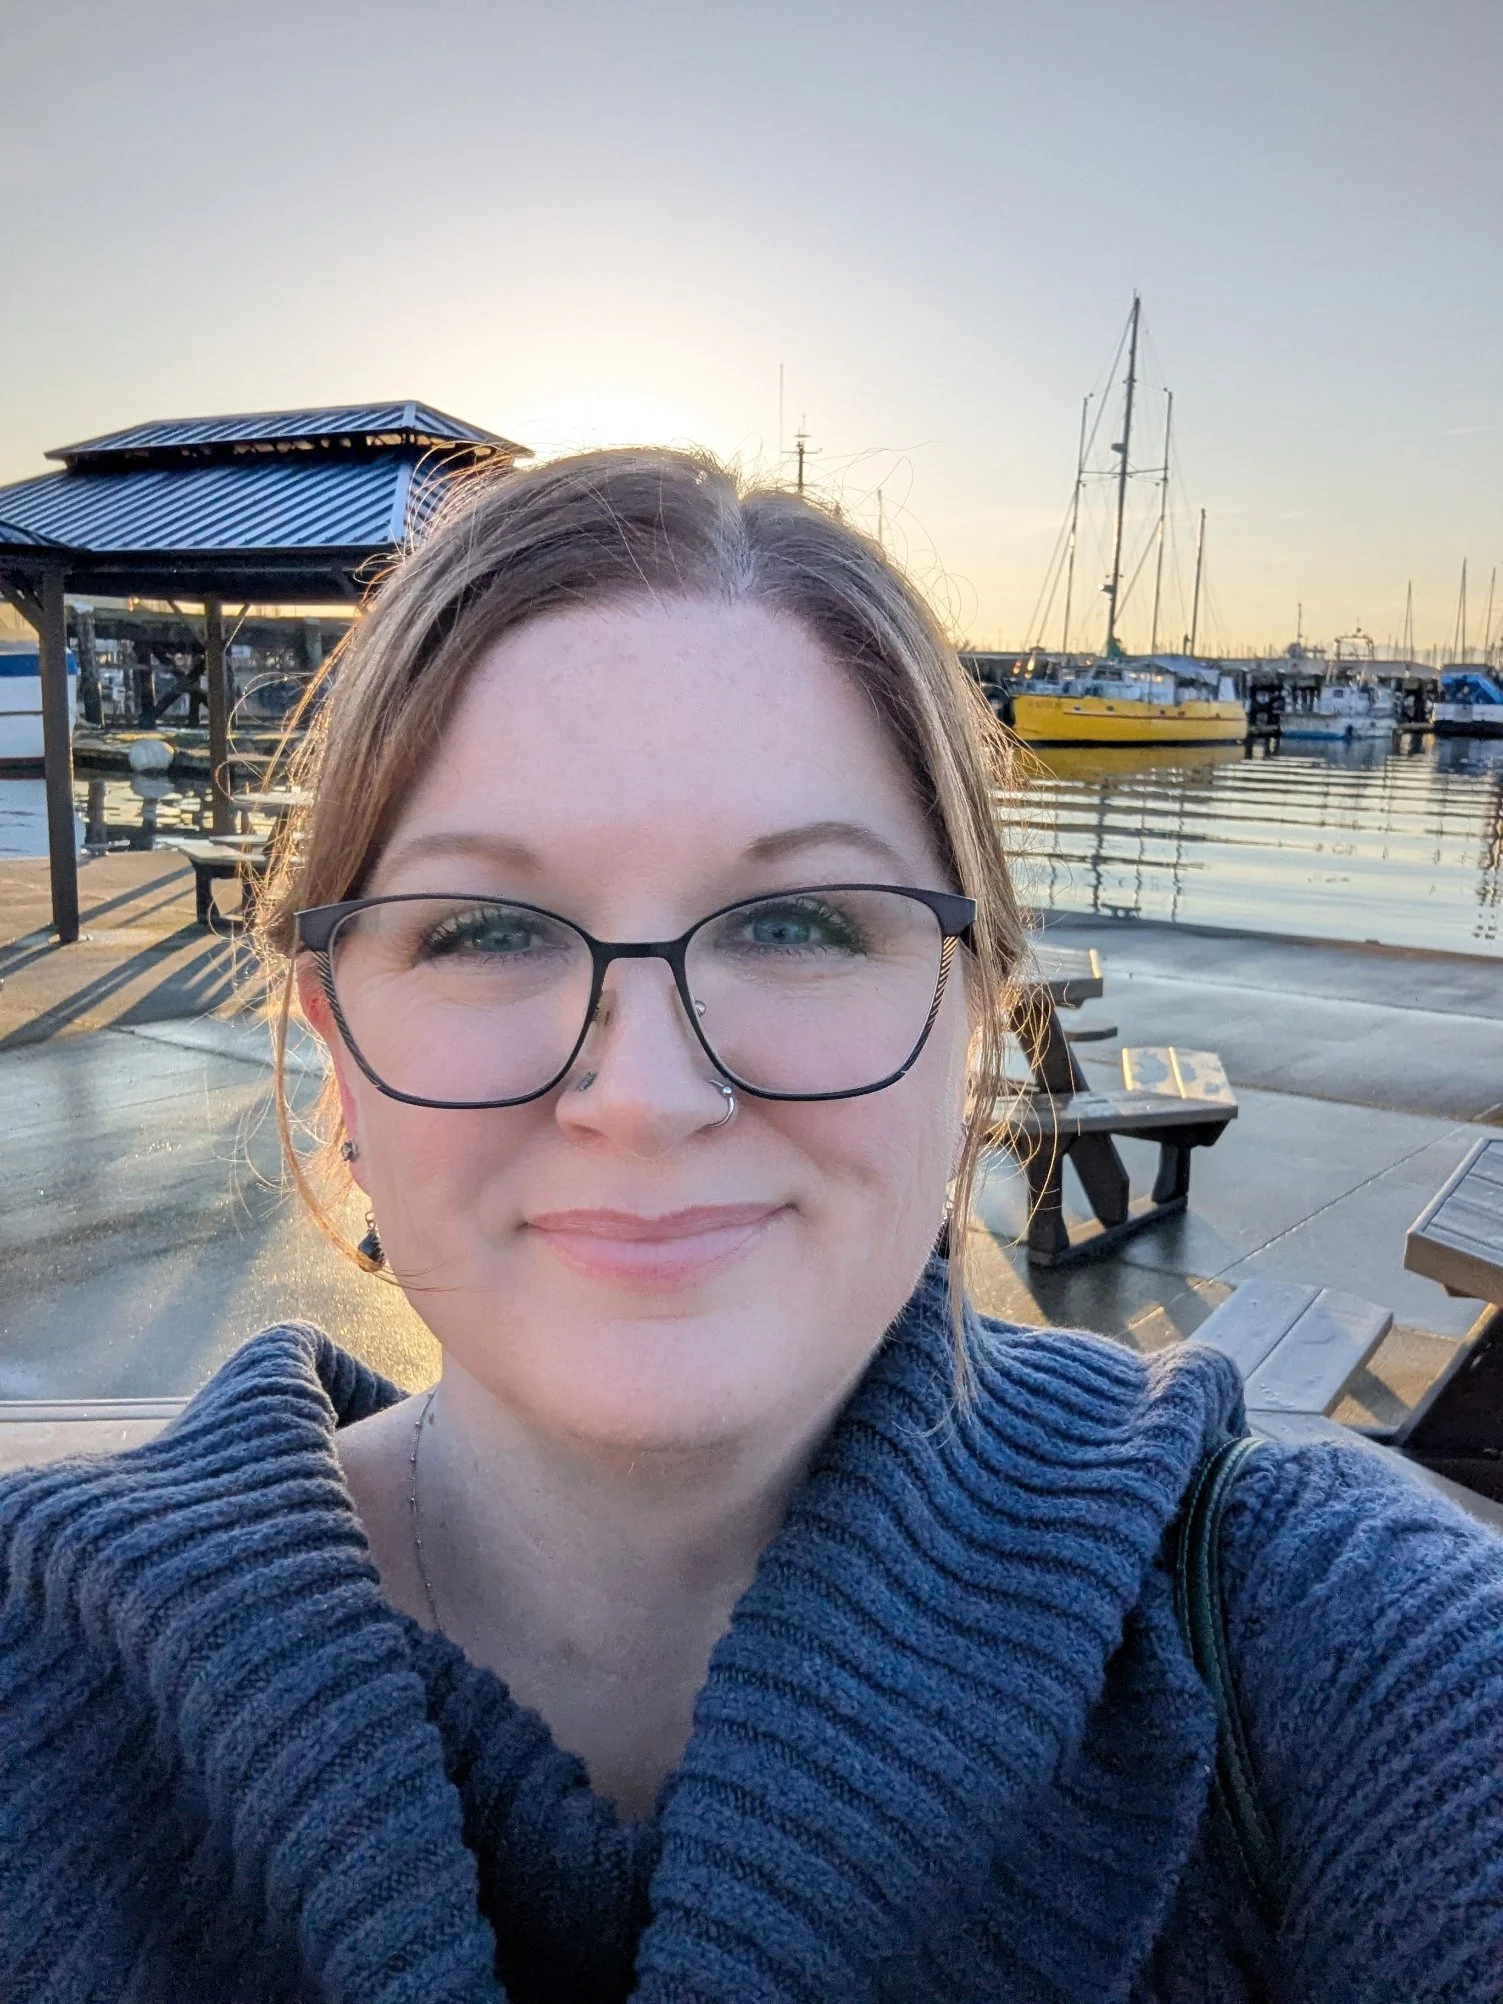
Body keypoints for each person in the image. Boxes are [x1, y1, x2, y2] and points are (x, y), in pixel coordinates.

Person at [1, 449, 1499, 2004]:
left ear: (969, 1013)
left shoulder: (1334, 1649)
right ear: (336, 1045)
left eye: (797, 923)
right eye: (485, 931)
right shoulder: (46, 1672)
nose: (644, 1096)